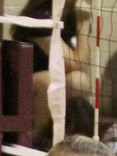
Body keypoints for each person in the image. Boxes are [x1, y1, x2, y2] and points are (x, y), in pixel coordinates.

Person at [12, 0, 92, 133]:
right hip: (21, 87)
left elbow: (81, 68)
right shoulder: (39, 17)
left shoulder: (73, 15)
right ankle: (37, 138)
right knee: (49, 81)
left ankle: (74, 136)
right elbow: (76, 65)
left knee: (79, 81)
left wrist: (83, 23)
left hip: (54, 81)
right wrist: (83, 24)